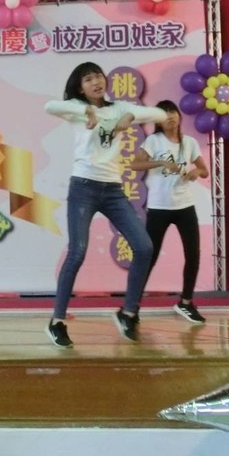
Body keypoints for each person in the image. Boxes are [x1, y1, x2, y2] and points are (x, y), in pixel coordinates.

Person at [44, 62, 167, 347]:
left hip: (113, 190)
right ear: (80, 87)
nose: (96, 82)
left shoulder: (119, 108)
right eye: (88, 79)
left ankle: (128, 312)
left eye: (98, 76)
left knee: (144, 247)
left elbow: (160, 113)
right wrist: (85, 111)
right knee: (77, 252)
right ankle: (57, 321)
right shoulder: (76, 108)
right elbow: (49, 106)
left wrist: (129, 117)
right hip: (83, 188)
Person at [130, 100, 210, 324]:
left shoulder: (190, 142)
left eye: (172, 112)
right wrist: (160, 164)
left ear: (179, 115)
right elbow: (135, 165)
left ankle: (186, 302)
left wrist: (196, 172)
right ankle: (131, 306)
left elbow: (203, 170)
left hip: (185, 206)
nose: (170, 117)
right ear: (158, 121)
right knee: (150, 256)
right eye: (164, 115)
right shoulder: (153, 141)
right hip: (159, 207)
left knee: (193, 254)